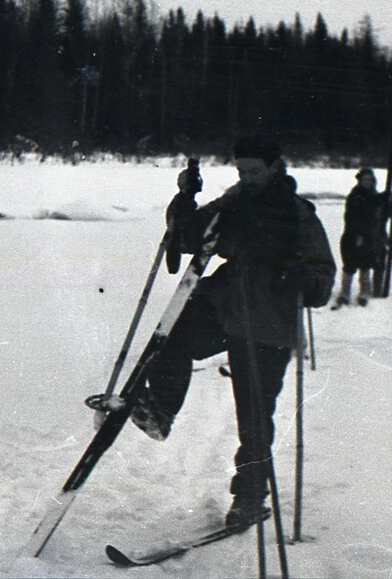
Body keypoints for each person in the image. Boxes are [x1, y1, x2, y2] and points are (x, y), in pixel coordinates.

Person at [132, 136, 336, 528]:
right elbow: (188, 236)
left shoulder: (297, 214)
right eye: (241, 171)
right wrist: (185, 198)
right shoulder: (233, 202)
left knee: (255, 413)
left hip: (269, 321)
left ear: (276, 167)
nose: (247, 178)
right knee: (171, 334)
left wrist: (303, 278)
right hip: (225, 305)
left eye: (254, 171)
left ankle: (249, 496)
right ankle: (160, 409)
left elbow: (323, 277)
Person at [333, 167, 388, 308]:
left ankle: (364, 293)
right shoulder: (356, 196)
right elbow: (354, 217)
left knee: (365, 266)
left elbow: (381, 213)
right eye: (365, 179)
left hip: (369, 238)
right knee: (350, 267)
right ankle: (345, 293)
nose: (368, 182)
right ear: (360, 180)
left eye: (370, 179)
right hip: (353, 236)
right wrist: (357, 235)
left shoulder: (373, 195)